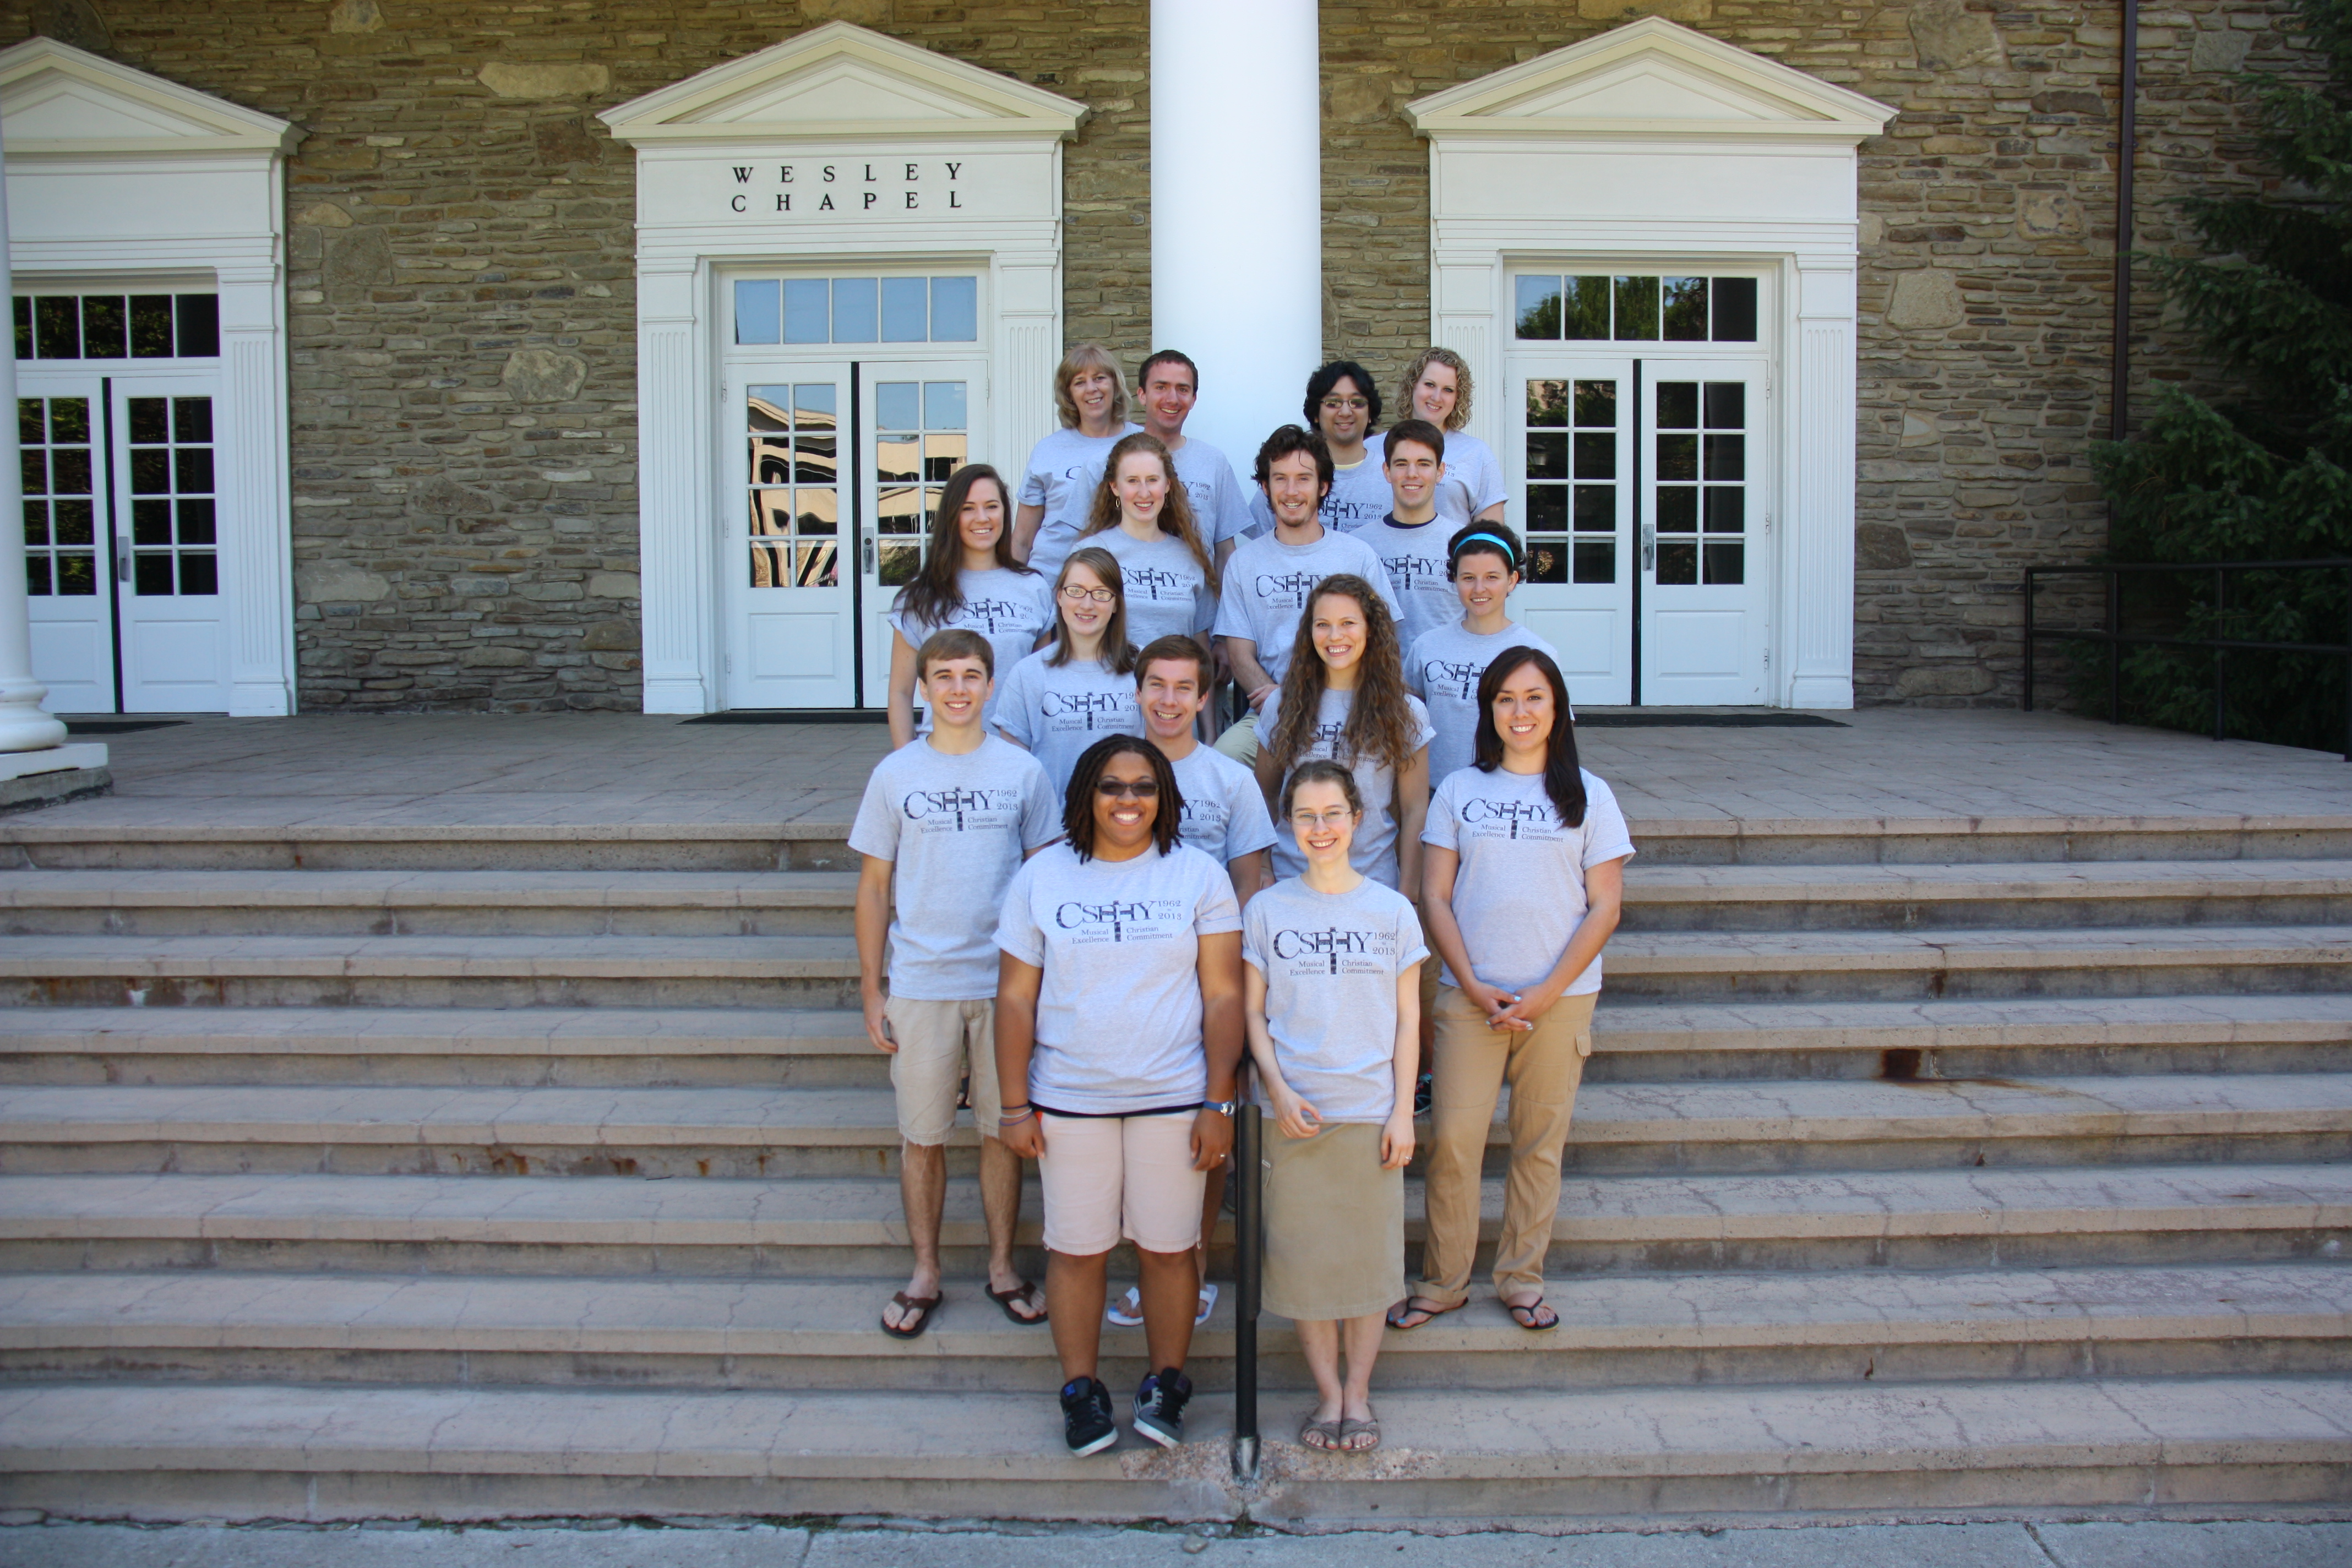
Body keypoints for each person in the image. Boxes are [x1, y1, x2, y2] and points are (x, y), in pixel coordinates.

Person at [995, 734, 1246, 1456]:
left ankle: (1166, 1385)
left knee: (1169, 1251)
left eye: (1144, 786)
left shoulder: (1198, 875)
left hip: (1174, 1095)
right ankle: (1082, 1393)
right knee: (1077, 1252)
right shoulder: (1043, 877)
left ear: (1164, 797)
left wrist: (1218, 1102)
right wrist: (1013, 1104)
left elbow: (1223, 995)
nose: (1128, 800)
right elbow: (1015, 999)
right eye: (1112, 785)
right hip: (1070, 1098)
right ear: (1086, 795)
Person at [1392, 649, 1633, 1335]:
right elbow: (1436, 896)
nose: (1520, 712)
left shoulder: (1591, 796)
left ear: (1558, 709)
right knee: (1454, 1144)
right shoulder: (1460, 790)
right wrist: (1470, 981)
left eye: (1534, 698)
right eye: (1505, 699)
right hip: (1470, 996)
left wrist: (1548, 991)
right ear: (1488, 710)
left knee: (1538, 1144)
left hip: (1560, 999)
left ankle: (1522, 1279)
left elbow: (1605, 907)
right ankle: (1444, 1282)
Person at [851, 629, 1061, 1340]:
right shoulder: (896, 774)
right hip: (921, 981)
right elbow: (873, 887)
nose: (959, 688)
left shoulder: (1023, 771)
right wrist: (872, 988)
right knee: (923, 1135)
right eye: (944, 676)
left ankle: (1002, 1267)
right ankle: (926, 1271)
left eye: (972, 675)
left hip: (1005, 985)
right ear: (924, 687)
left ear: (991, 684)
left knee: (1003, 1133)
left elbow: (1045, 880)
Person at [1244, 759, 1424, 1453]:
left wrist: (1402, 1112)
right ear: (1289, 824)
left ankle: (1359, 1394)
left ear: (1357, 818)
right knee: (1307, 1266)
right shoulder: (1267, 910)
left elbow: (1408, 1020)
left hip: (1370, 1114)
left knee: (1368, 1266)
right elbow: (1254, 1015)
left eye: (1332, 814)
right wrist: (1277, 1088)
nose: (1320, 828)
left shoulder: (1392, 910)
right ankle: (1327, 1395)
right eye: (1306, 816)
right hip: (1295, 1115)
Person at [1103, 633, 1277, 1335]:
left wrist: (1231, 986)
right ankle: (1150, 1268)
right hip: (1127, 985)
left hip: (1207, 984)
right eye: (1157, 685)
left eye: (1184, 688)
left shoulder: (1229, 781)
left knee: (1202, 1133)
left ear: (1205, 697)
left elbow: (1250, 882)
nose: (1169, 700)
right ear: (1137, 692)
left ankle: (1194, 1268)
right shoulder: (1109, 771)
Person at [1211, 426, 1394, 767]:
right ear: (1265, 487)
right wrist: (1282, 702)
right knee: (1225, 759)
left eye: (1303, 479)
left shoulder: (1357, 556)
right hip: (1274, 708)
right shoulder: (1244, 563)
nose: (1291, 491)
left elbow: (1383, 640)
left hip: (1351, 709)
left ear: (1322, 486)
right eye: (1280, 479)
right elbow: (1239, 655)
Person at [1253, 575, 1433, 899]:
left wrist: (1409, 894)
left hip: (1374, 883)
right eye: (1323, 625)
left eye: (1348, 623)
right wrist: (1264, 865)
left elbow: (1415, 809)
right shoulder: (1282, 704)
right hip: (1291, 881)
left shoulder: (1406, 711)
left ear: (1371, 629)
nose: (1335, 636)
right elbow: (1264, 796)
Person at [885, 464, 1053, 749]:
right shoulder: (921, 595)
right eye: (968, 509)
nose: (982, 518)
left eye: (992, 506)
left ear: (1005, 512)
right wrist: (908, 762)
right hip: (944, 756)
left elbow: (1042, 684)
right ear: (951, 516)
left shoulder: (1033, 588)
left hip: (1017, 755)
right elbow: (900, 693)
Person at [1405, 522, 1564, 788]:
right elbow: (1407, 724)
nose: (1479, 589)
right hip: (1434, 792)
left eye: (1492, 577)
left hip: (1504, 795)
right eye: (1468, 578)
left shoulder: (1538, 653)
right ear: (1455, 579)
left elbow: (1557, 734)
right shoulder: (1427, 646)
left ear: (1512, 580)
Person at [994, 547, 1142, 798]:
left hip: (1127, 816)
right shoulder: (1027, 675)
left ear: (1117, 603)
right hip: (1053, 822)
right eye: (1076, 591)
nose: (1087, 604)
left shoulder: (1144, 667)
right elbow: (1014, 773)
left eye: (1101, 593)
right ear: (1060, 596)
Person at [1075, 432, 1219, 651]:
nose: (1144, 493)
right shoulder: (1089, 553)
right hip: (1111, 674)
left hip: (1177, 673)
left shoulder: (1191, 556)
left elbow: (1201, 646)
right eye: (1132, 481)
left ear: (1167, 485)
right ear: (1115, 487)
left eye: (1152, 480)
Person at [1014, 344, 1142, 580]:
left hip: (1120, 580)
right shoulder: (1048, 450)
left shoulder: (1142, 444)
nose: (1092, 389)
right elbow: (1022, 539)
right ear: (1069, 394)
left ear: (1115, 384)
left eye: (1099, 378)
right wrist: (1016, 588)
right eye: (1080, 382)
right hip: (1051, 578)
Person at [1135, 349, 1255, 565]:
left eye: (1182, 389)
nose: (1172, 399)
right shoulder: (1113, 461)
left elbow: (1225, 551)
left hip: (1201, 588)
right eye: (1161, 387)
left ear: (1193, 399)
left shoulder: (1213, 462)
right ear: (1142, 395)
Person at [1352, 419, 1463, 655]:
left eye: (1424, 464)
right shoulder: (1358, 545)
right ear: (1387, 471)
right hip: (1379, 675)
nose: (1412, 474)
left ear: (1440, 472)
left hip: (1445, 673)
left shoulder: (1464, 543)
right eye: (1402, 464)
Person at [1245, 360, 1392, 536]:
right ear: (1316, 413)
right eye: (1333, 403)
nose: (1345, 412)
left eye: (1357, 402)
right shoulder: (1284, 475)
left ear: (1370, 413)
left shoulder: (1392, 477)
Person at [1397, 347, 1509, 530]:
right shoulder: (1373, 449)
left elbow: (1491, 537)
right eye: (1430, 385)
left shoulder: (1477, 454)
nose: (1436, 397)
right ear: (1412, 386)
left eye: (1448, 390)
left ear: (1458, 398)